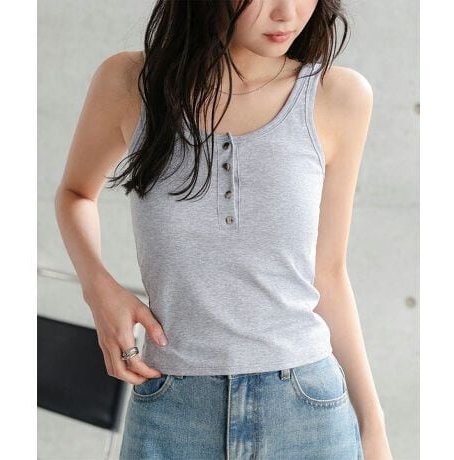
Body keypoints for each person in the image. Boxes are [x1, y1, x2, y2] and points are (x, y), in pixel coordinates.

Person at [54, 0, 393, 458]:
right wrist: (98, 288)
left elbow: (328, 272)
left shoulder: (338, 96)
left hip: (307, 412)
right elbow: (75, 193)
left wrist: (372, 425)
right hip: (172, 411)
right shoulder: (130, 83)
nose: (287, 13)